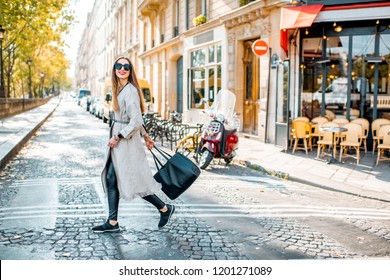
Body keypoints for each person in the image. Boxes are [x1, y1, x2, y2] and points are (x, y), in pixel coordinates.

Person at [92, 57, 175, 233]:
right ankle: (113, 222)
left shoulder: (130, 91)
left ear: (130, 71)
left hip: (125, 142)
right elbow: (138, 120)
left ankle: (164, 208)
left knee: (134, 181)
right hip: (122, 140)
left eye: (126, 67)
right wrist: (146, 136)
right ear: (114, 69)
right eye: (118, 66)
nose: (122, 69)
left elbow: (135, 121)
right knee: (112, 178)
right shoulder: (119, 89)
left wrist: (118, 136)